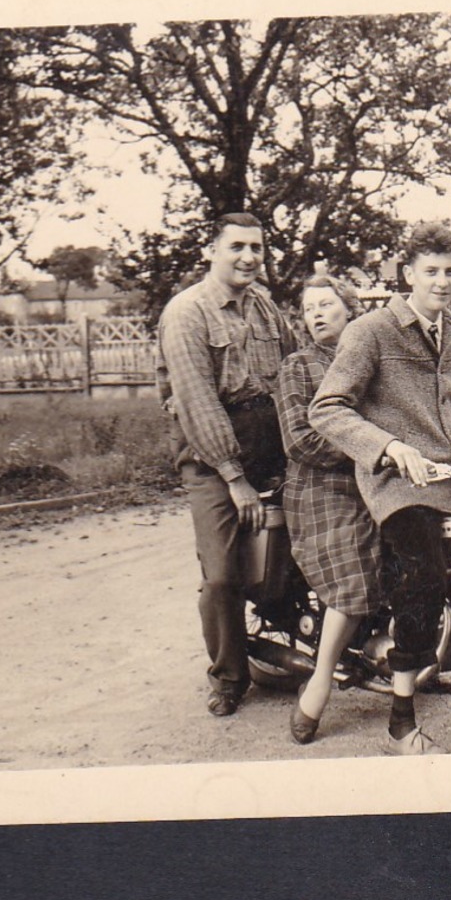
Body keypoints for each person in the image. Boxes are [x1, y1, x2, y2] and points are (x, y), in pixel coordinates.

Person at [309, 222, 451, 755]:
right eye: (430, 271)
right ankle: (401, 718)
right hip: (399, 485)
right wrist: (387, 447)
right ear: (406, 274)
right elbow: (327, 408)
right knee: (423, 576)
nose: (442, 281)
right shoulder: (371, 331)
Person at [157, 212, 297, 718]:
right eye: (236, 246)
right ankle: (229, 676)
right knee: (221, 575)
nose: (248, 257)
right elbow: (196, 401)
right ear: (211, 251)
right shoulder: (186, 313)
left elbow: (295, 369)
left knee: (311, 539)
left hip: (272, 445)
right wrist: (235, 480)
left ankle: (309, 642)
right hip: (212, 460)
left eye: (257, 248)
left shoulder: (264, 306)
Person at [274, 274, 382, 745]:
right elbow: (301, 440)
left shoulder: (372, 359)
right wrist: (374, 449)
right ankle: (319, 682)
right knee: (354, 566)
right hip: (321, 486)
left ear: (350, 308)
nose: (316, 313)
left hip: (377, 477)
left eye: (326, 304)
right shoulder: (298, 367)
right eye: (308, 308)